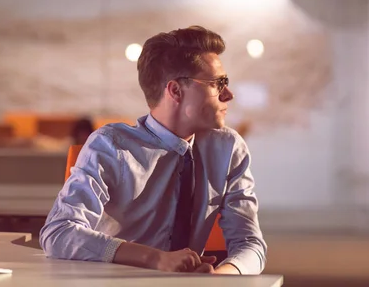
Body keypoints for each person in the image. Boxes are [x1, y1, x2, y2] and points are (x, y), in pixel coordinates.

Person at [40, 26, 266, 275]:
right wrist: (155, 259)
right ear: (176, 91)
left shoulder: (228, 148)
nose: (229, 94)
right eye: (218, 83)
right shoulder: (111, 146)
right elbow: (59, 232)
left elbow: (250, 244)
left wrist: (218, 278)